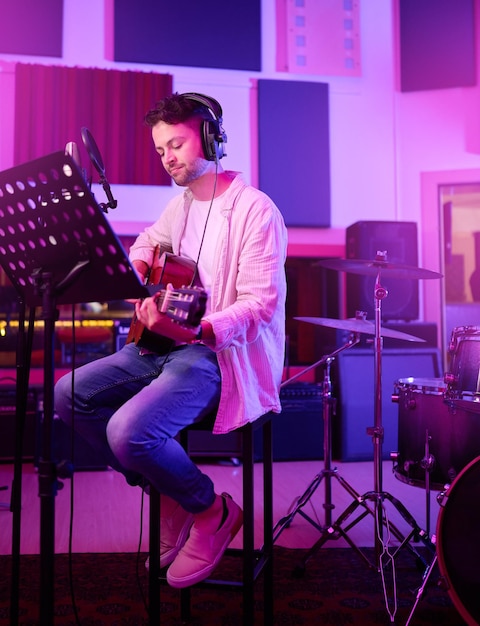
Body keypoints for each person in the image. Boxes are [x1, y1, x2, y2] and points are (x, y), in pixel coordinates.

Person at [54, 92, 288, 588]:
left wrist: (192, 330)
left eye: (177, 144)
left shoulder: (255, 211)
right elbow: (147, 241)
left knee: (127, 433)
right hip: (162, 349)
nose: (168, 158)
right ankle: (173, 493)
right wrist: (139, 262)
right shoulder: (179, 207)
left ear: (209, 137)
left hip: (219, 359)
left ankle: (208, 511)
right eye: (161, 150)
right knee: (67, 394)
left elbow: (260, 306)